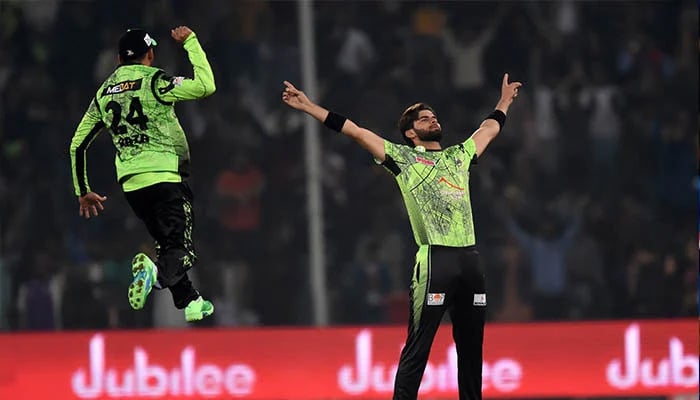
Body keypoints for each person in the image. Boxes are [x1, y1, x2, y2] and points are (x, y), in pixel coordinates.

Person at [282, 73, 521, 400]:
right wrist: (309, 106)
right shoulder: (403, 158)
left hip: (470, 260)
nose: (432, 119)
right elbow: (356, 131)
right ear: (411, 133)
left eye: (433, 115)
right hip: (436, 260)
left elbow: (489, 128)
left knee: (471, 349)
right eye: (424, 118)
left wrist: (504, 101)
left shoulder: (459, 155)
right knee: (418, 347)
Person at [69, 26, 216, 322]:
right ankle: (154, 273)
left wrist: (82, 191)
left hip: (133, 187)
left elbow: (77, 145)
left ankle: (191, 301)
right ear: (150, 54)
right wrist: (191, 42)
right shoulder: (156, 81)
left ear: (119, 59)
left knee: (167, 243)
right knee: (182, 249)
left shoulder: (103, 93)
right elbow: (205, 86)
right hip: (164, 176)